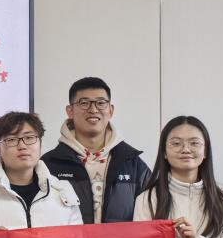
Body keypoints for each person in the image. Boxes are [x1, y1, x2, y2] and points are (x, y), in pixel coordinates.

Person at [42, 77, 151, 225]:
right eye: (84, 103)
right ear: (70, 111)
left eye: (101, 103)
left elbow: (152, 218)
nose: (93, 110)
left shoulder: (134, 165)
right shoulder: (48, 165)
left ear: (110, 110)